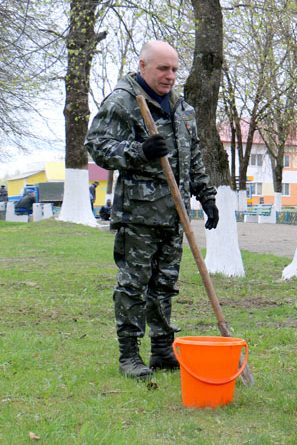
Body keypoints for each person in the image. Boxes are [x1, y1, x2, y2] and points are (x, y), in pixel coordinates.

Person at [85, 40, 219, 380]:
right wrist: (138, 151)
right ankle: (129, 354)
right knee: (134, 285)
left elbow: (194, 159)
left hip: (175, 215)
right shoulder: (124, 102)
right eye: (163, 68)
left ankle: (162, 348)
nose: (170, 75)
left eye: (174, 69)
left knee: (165, 284)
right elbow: (98, 146)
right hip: (139, 215)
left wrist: (206, 195)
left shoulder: (182, 109)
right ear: (143, 66)